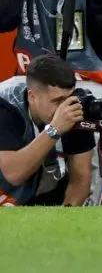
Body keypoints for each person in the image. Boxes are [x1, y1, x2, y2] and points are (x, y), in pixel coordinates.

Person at [0, 54, 93, 206]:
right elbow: (14, 174)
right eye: (57, 101)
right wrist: (55, 129)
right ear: (32, 96)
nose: (64, 109)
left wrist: (62, 222)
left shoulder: (75, 106)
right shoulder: (5, 105)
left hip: (41, 192)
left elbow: (81, 179)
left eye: (67, 99)